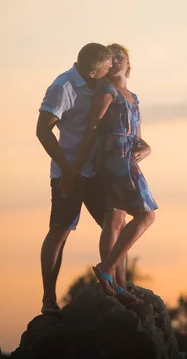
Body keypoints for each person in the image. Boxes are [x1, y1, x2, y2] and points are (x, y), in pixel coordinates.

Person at [71, 43, 157, 305]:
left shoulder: (133, 96)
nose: (116, 60)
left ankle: (117, 286)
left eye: (121, 56)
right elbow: (93, 126)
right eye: (112, 57)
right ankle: (107, 269)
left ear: (129, 62)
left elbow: (138, 136)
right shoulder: (107, 90)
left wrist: (147, 147)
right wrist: (77, 165)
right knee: (146, 215)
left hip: (127, 155)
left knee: (115, 221)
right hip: (114, 158)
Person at [36, 42, 113, 315]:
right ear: (93, 73)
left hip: (97, 172)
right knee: (60, 231)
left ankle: (117, 289)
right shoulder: (63, 87)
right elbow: (43, 130)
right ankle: (48, 299)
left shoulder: (103, 86)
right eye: (107, 68)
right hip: (67, 171)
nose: (111, 70)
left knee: (114, 226)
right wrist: (67, 168)